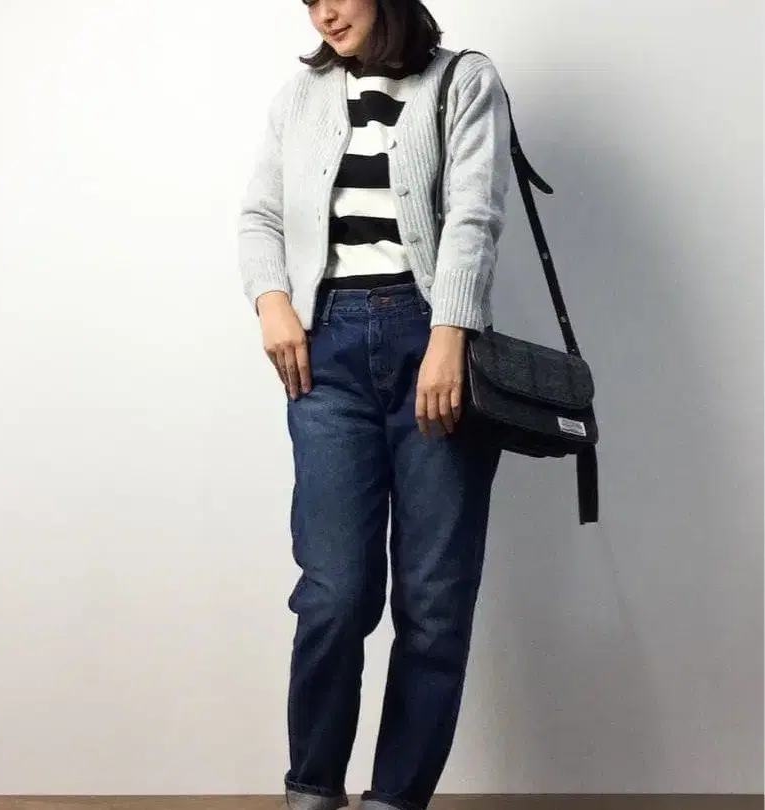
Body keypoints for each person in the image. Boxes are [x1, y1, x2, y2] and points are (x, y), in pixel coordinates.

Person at [237, 2, 511, 809]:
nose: (322, 11)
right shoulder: (300, 97)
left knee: (432, 602)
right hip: (325, 357)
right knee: (335, 591)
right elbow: (259, 215)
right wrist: (272, 301)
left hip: (434, 340)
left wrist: (449, 332)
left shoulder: (463, 81)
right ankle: (312, 791)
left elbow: (476, 213)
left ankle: (396, 799)